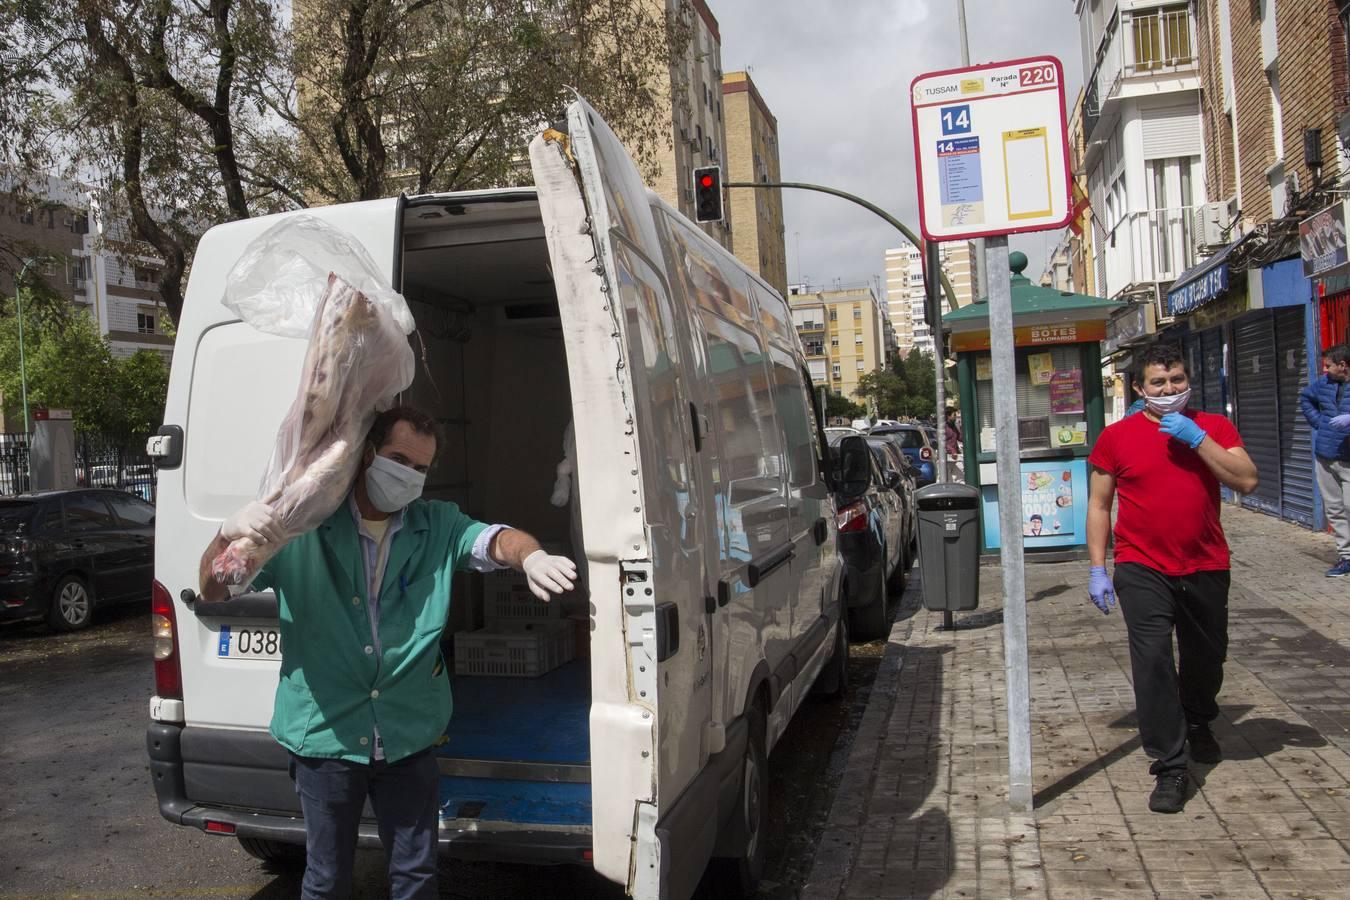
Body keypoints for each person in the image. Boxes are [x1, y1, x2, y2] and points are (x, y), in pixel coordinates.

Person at [197, 406, 577, 899]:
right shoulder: (303, 526)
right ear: (367, 454)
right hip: (326, 736)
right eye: (400, 459)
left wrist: (532, 555)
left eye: (421, 469)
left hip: (407, 735)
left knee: (416, 879)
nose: (409, 476)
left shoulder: (436, 524)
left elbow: (495, 540)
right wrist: (227, 533)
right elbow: (212, 588)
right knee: (326, 880)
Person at [1085, 343, 1258, 815]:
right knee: (1153, 661)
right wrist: (1098, 566)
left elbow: (1246, 480)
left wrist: (1197, 439)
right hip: (1142, 567)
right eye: (1158, 383)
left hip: (1205, 563)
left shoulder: (1213, 427)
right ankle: (1170, 764)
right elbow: (1100, 506)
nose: (1169, 390)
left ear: (1187, 381)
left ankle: (1199, 720)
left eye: (1176, 380)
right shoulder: (1116, 438)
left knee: (1206, 658)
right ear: (1139, 388)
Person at [1298, 344, 1350, 576]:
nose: (1325, 370)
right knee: (1335, 508)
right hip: (1325, 455)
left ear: (1343, 365)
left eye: (1328, 366)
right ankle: (1346, 556)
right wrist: (1318, 423)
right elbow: (1306, 398)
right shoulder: (1325, 384)